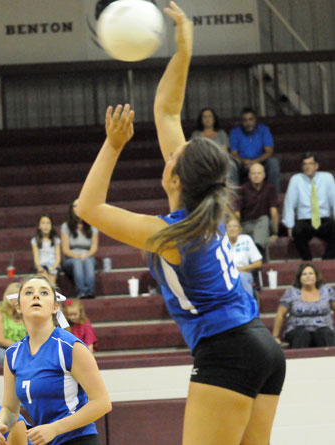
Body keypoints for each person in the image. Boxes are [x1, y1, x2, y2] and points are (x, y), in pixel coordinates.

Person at [75, 3, 285, 444]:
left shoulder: (170, 234)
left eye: (173, 155)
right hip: (261, 347)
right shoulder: (210, 211)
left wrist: (113, 146)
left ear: (175, 177)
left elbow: (88, 208)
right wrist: (184, 47)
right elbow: (168, 113)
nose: (169, 151)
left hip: (227, 351)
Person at [0, 275, 111, 445]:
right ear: (18, 306)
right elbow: (10, 409)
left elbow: (102, 403)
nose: (36, 296)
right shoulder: (12, 354)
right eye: (29, 292)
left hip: (77, 439)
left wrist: (55, 428)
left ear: (55, 307)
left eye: (44, 292)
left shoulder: (70, 346)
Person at [282, 152, 335, 260]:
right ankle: (307, 261)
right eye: (304, 164)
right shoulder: (296, 179)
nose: (307, 166)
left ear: (316, 165)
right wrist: (290, 226)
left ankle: (327, 260)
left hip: (324, 219)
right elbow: (289, 203)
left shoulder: (327, 178)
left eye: (310, 163)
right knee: (297, 231)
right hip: (305, 220)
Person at [272, 263, 335, 349]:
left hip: (323, 328)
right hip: (297, 330)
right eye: (304, 274)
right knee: (302, 334)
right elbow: (280, 314)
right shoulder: (291, 292)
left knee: (325, 333)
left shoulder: (327, 290)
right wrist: (275, 337)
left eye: (310, 273)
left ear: (316, 276)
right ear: (299, 278)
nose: (308, 276)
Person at [229, 107, 281, 192]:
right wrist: (244, 161)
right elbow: (233, 153)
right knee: (231, 165)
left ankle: (275, 195)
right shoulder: (235, 132)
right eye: (245, 120)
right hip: (242, 164)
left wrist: (255, 162)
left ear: (255, 120)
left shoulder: (264, 130)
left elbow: (269, 151)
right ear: (242, 122)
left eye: (251, 119)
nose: (248, 123)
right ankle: (233, 198)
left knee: (273, 162)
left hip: (261, 162)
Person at [235, 163, 279, 257]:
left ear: (264, 175)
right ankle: (258, 253)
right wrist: (236, 228)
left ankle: (258, 249)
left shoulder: (270, 188)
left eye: (259, 173)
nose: (256, 176)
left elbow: (274, 211)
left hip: (264, 224)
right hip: (246, 224)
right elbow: (237, 212)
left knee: (264, 219)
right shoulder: (242, 189)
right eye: (253, 173)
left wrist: (275, 233)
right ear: (249, 176)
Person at [61, 201, 99, 298]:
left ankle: (90, 292)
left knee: (88, 261)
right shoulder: (66, 226)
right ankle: (81, 292)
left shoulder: (92, 226)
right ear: (71, 209)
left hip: (88, 256)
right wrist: (78, 256)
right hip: (71, 258)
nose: (78, 207)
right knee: (78, 262)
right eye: (75, 205)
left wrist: (86, 255)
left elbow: (94, 248)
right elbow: (65, 250)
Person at [191, 108, 238, 185]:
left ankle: (232, 195)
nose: (207, 119)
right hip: (202, 161)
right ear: (201, 120)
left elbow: (224, 151)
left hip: (219, 161)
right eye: (204, 117)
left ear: (214, 119)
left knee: (231, 165)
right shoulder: (196, 134)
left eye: (210, 116)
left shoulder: (221, 134)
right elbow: (194, 152)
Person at [0, 283, 27, 369]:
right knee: (4, 356)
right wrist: (22, 347)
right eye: (16, 296)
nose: (19, 299)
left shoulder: (27, 312)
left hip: (23, 348)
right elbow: (0, 340)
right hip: (0, 348)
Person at [226, 218, 263, 297]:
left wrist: (241, 269)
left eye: (235, 226)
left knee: (240, 277)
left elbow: (258, 263)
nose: (232, 229)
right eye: (229, 227)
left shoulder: (246, 239)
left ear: (240, 230)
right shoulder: (221, 243)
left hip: (244, 274)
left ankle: (247, 307)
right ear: (225, 230)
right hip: (226, 276)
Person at [31, 215, 61, 285]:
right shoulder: (35, 240)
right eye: (43, 223)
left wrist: (54, 267)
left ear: (51, 226)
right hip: (42, 265)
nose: (46, 225)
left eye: (48, 223)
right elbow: (36, 256)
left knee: (52, 284)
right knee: (43, 282)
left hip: (53, 265)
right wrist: (39, 266)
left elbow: (58, 256)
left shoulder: (56, 240)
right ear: (39, 226)